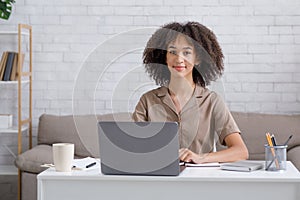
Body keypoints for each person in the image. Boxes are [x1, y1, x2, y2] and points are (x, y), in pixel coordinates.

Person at [132, 21, 248, 164]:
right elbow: (132, 147)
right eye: (172, 52)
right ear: (165, 57)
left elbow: (241, 151)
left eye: (186, 52)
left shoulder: (211, 101)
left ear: (197, 58)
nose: (179, 59)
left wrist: (201, 158)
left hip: (199, 181)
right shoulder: (148, 100)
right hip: (159, 179)